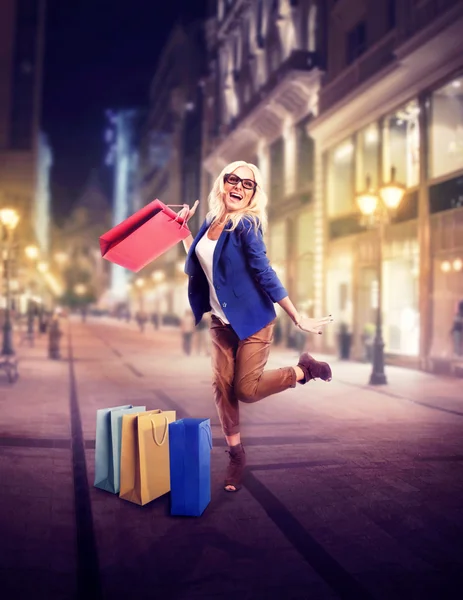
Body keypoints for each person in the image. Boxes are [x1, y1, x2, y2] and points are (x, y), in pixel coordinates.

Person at [178, 161, 334, 493]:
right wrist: (185, 233)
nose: (238, 186)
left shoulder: (247, 225)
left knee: (246, 390)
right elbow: (199, 264)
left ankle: (303, 371)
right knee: (222, 387)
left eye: (246, 184)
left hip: (253, 321)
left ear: (253, 193)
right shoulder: (209, 221)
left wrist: (297, 316)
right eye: (232, 180)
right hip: (221, 322)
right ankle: (236, 456)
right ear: (222, 184)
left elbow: (265, 272)